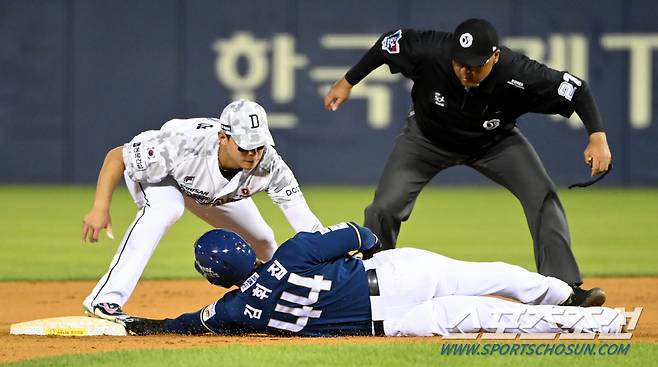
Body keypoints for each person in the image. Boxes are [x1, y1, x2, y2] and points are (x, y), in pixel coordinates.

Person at [323, 19, 612, 300]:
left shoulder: (518, 72)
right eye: (460, 62)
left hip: (494, 143)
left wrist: (597, 135)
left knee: (542, 196)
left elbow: (575, 88)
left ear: (495, 57)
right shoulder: (431, 50)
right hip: (425, 140)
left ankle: (564, 291)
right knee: (383, 208)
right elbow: (387, 44)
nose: (465, 71)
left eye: (475, 65)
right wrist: (347, 81)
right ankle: (372, 289)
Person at [117, 223, 623, 337]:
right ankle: (569, 295)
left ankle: (596, 328)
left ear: (214, 280)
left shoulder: (232, 311)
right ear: (246, 249)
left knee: (485, 318)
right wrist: (375, 249)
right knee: (486, 274)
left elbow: (186, 323)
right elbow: (364, 234)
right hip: (395, 274)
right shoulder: (294, 251)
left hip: (393, 322)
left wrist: (146, 324)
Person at [81, 99, 323, 320]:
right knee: (167, 210)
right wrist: (100, 207)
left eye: (258, 146)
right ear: (223, 137)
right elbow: (117, 157)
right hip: (164, 175)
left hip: (212, 194)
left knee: (263, 239)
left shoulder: (270, 164)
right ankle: (104, 300)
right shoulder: (181, 144)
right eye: (245, 147)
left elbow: (304, 220)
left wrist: (329, 254)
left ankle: (282, 298)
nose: (253, 154)